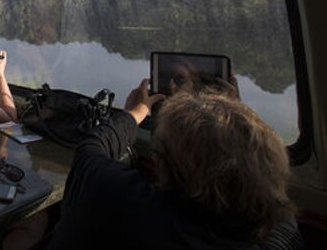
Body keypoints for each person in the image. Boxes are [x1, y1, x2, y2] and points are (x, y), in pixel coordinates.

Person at [41, 80, 297, 249]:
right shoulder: (280, 234)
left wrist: (136, 111)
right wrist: (235, 119)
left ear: (164, 162)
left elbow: (90, 150)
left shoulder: (119, 199)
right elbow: (276, 199)